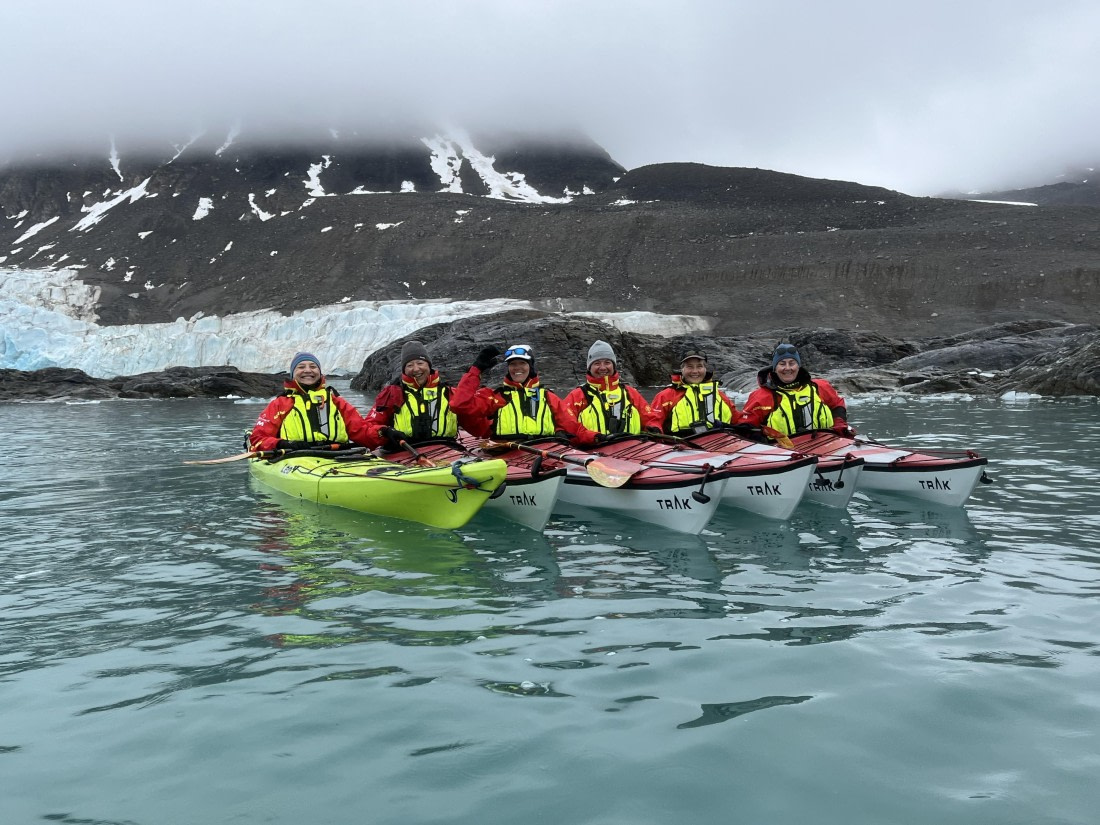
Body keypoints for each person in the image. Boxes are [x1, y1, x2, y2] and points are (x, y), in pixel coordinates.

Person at [365, 339, 489, 451]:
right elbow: (369, 427)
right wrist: (384, 431)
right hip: (404, 451)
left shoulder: (449, 393)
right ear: (404, 370)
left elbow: (477, 427)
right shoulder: (392, 394)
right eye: (409, 365)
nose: (416, 369)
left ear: (428, 365)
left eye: (420, 363)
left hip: (446, 449)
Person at [450, 342, 588, 442]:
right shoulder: (496, 397)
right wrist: (476, 370)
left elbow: (573, 428)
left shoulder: (548, 397)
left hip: (544, 451)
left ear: (531, 367)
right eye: (512, 364)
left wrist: (597, 437)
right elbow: (459, 405)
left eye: (522, 363)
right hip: (507, 455)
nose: (517, 368)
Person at [249, 351, 374, 452]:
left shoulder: (335, 401)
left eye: (313, 367)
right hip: (294, 457)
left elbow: (362, 431)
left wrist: (382, 432)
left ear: (319, 372)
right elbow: (258, 439)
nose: (308, 370)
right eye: (301, 367)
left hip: (337, 454)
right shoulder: (280, 404)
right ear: (293, 374)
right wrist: (281, 443)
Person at [737, 343, 853, 437]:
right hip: (781, 451)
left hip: (824, 443)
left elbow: (837, 404)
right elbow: (746, 427)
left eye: (792, 363)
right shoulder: (761, 397)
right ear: (775, 368)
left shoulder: (819, 387)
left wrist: (839, 426)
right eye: (782, 364)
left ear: (798, 366)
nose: (787, 368)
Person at [561, 339, 660, 444]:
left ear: (613, 365)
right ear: (589, 367)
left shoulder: (630, 392)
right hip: (593, 450)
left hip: (632, 450)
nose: (603, 367)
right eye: (597, 363)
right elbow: (567, 424)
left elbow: (650, 417)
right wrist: (593, 437)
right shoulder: (577, 395)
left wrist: (654, 428)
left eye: (607, 363)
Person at [650, 350, 739, 435]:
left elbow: (737, 420)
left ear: (705, 369)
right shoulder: (666, 396)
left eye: (699, 366)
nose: (695, 371)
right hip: (680, 444)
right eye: (690, 366)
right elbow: (653, 420)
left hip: (719, 442)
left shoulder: (720, 395)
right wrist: (655, 430)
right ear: (682, 369)